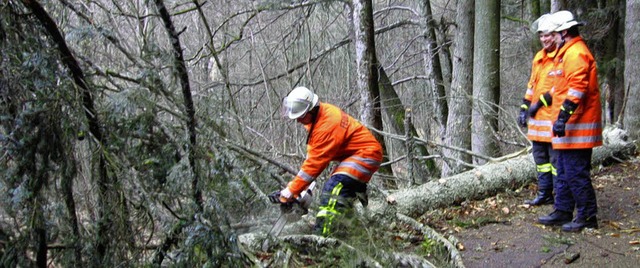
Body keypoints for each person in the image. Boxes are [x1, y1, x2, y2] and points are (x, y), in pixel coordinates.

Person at [278, 86, 383, 236]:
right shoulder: (318, 116)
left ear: (311, 110)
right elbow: (314, 156)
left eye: (301, 116)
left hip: (365, 154)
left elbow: (313, 165)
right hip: (354, 155)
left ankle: (323, 238)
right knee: (339, 192)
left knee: (334, 189)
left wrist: (291, 191)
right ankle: (350, 229)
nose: (298, 121)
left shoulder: (327, 124)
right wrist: (298, 188)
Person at [536, 10, 603, 232]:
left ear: (564, 32)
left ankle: (587, 216)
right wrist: (537, 105)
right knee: (563, 172)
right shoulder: (565, 54)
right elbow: (559, 89)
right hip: (567, 129)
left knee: (575, 174)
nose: (551, 37)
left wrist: (563, 117)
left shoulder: (575, 53)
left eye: (554, 33)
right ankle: (563, 210)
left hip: (578, 128)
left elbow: (577, 89)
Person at [518, 14, 559, 206]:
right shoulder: (539, 58)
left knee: (555, 162)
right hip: (536, 123)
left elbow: (560, 88)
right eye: (542, 36)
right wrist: (524, 107)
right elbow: (532, 85)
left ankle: (560, 196)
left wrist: (540, 103)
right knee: (540, 159)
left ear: (556, 35)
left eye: (548, 35)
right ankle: (545, 193)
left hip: (552, 119)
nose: (545, 39)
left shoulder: (560, 57)